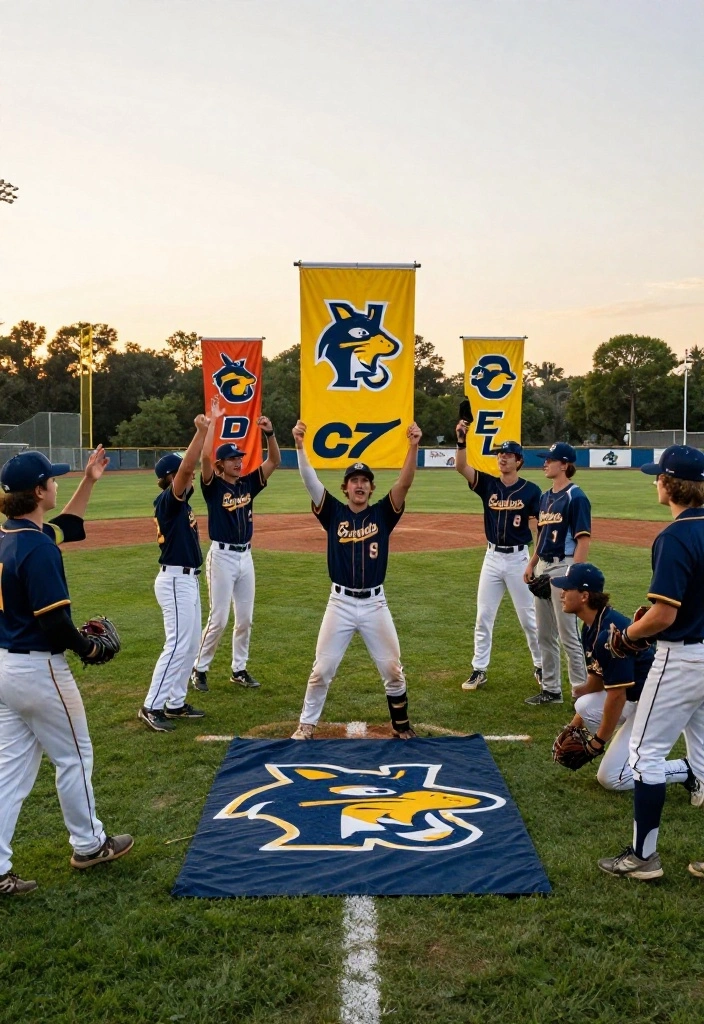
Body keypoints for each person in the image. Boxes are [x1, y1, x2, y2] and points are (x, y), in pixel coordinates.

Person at [0, 449, 133, 896]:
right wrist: (89, 649)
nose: (57, 484)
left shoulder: (9, 536)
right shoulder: (36, 549)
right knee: (75, 757)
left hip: (5, 667)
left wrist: (90, 481)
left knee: (10, 771)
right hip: (39, 669)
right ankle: (90, 844)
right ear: (39, 491)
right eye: (52, 481)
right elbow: (55, 624)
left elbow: (69, 528)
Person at [597, 445, 704, 881]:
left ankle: (644, 858)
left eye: (658, 476)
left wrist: (626, 636)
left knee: (646, 754)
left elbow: (664, 615)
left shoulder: (675, 535)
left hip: (682, 658)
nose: (655, 482)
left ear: (668, 483)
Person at [290, 420, 422, 740]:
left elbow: (403, 485)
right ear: (345, 488)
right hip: (341, 603)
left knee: (392, 669)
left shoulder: (382, 514)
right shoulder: (333, 512)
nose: (360, 485)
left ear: (371, 488)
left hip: (376, 603)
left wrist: (413, 445)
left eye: (365, 481)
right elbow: (310, 481)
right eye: (354, 481)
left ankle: (401, 727)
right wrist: (299, 446)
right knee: (322, 670)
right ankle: (306, 725)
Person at [550, 562, 696, 793]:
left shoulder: (608, 633)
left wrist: (597, 744)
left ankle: (687, 769)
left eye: (567, 589)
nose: (562, 594)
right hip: (638, 697)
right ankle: (631, 740)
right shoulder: (592, 626)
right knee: (583, 704)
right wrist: (574, 724)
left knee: (611, 778)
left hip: (656, 705)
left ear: (585, 596)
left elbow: (616, 697)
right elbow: (598, 681)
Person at [191, 398, 281, 692]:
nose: (239, 461)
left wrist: (269, 434)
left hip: (246, 558)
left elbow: (274, 461)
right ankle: (199, 668)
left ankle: (238, 669)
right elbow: (204, 458)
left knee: (245, 619)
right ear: (221, 464)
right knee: (219, 618)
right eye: (233, 459)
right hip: (222, 557)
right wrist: (213, 421)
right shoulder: (213, 485)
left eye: (240, 458)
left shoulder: (247, 484)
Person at [454, 428, 542, 691]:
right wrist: (461, 439)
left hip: (518, 558)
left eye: (507, 454)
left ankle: (541, 665)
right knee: (484, 615)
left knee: (528, 618)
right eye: (499, 454)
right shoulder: (488, 485)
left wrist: (534, 562)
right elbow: (461, 466)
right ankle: (479, 669)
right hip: (492, 558)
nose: (502, 458)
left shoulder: (531, 491)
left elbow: (537, 528)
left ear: (519, 460)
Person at [138, 414, 210, 733]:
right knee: (178, 643)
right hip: (174, 581)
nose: (191, 473)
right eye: (183, 471)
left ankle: (175, 702)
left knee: (191, 643)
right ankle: (151, 706)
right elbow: (184, 470)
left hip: (188, 579)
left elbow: (186, 469)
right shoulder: (168, 501)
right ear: (171, 477)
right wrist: (201, 432)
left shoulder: (181, 504)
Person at [523, 442, 591, 705]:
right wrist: (532, 564)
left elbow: (583, 540)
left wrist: (575, 577)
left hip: (565, 566)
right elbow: (540, 537)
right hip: (543, 566)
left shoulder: (576, 497)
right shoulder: (545, 496)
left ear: (564, 465)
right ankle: (551, 690)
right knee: (544, 633)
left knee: (568, 634)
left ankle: (581, 693)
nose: (545, 463)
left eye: (550, 460)